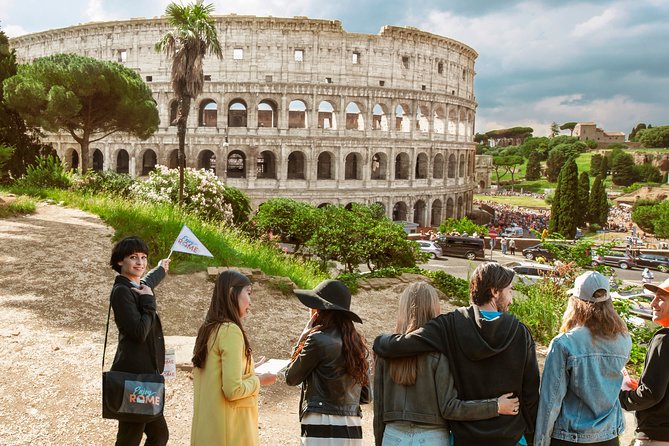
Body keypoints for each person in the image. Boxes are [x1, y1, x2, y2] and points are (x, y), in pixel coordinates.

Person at [374, 262, 540, 446]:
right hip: (512, 437)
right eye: (510, 291)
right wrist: (531, 437)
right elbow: (531, 393)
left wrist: (380, 341)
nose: (511, 299)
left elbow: (402, 344)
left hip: (465, 438)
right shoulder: (521, 332)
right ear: (494, 291)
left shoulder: (450, 325)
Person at [534, 271, 631, 446]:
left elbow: (551, 401)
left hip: (570, 437)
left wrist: (540, 442)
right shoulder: (624, 340)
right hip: (608, 437)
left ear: (576, 303)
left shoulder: (564, 343)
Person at [190, 270, 277, 445]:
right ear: (232, 292)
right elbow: (233, 390)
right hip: (229, 432)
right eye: (248, 293)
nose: (250, 302)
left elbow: (216, 374)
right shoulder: (231, 330)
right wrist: (259, 380)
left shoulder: (208, 328)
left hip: (207, 432)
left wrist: (250, 366)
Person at [285, 280, 370, 445]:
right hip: (352, 426)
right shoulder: (357, 343)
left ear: (318, 311)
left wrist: (302, 339)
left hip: (320, 423)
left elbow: (291, 377)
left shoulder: (317, 339)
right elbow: (366, 396)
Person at [109, 236, 171, 446]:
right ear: (120, 261)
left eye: (144, 257)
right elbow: (139, 332)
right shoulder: (121, 292)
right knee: (129, 439)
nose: (140, 262)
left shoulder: (135, 285)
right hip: (133, 377)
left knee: (159, 435)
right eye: (133, 257)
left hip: (145, 376)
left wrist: (161, 269)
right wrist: (149, 301)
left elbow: (146, 282)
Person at [620, 278, 669, 446]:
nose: (653, 303)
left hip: (656, 438)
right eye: (654, 297)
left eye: (661, 298)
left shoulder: (664, 339)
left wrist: (624, 398)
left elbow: (650, 394)